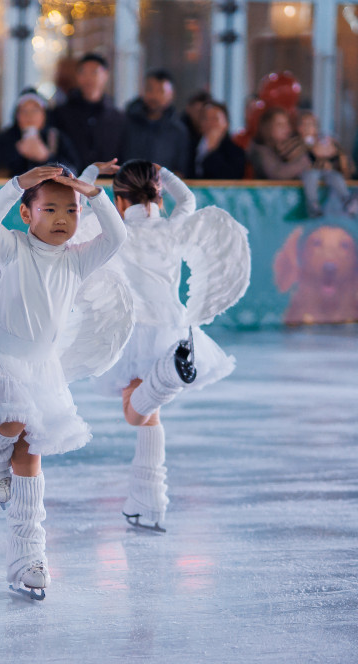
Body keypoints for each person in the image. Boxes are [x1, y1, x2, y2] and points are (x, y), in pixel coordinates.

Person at [0, 160, 128, 599]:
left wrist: (95, 195)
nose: (62, 219)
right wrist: (18, 183)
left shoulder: (78, 260)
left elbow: (118, 237)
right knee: (12, 424)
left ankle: (30, 558)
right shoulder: (12, 247)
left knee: (31, 455)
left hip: (42, 369)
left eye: (71, 211)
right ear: (26, 213)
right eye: (50, 209)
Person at [92, 160, 248, 532]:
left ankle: (166, 379)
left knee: (136, 409)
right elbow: (189, 199)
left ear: (119, 200)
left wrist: (88, 173)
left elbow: (87, 202)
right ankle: (150, 504)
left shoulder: (115, 230)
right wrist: (164, 173)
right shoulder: (173, 225)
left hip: (135, 330)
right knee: (151, 417)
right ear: (158, 193)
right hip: (174, 329)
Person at [49, 53, 126, 168]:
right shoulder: (61, 113)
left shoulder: (117, 117)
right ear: (77, 76)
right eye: (83, 72)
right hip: (71, 180)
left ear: (105, 75)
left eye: (94, 72)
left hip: (107, 183)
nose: (88, 78)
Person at [0, 90, 77, 177]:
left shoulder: (56, 137)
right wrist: (17, 152)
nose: (29, 116)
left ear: (44, 114)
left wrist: (46, 157)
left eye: (35, 110)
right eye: (24, 111)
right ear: (17, 115)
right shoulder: (7, 138)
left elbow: (73, 171)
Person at [119, 69, 192, 175]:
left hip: (163, 188)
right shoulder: (125, 123)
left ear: (171, 95)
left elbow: (181, 170)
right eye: (150, 90)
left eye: (160, 91)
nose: (154, 96)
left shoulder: (179, 131)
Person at [294, 111, 358, 217]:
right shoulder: (296, 142)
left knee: (335, 176)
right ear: (299, 128)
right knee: (311, 175)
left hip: (324, 172)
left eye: (312, 124)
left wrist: (332, 152)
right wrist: (314, 152)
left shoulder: (323, 140)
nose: (308, 128)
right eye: (305, 125)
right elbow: (298, 158)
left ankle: (347, 200)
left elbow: (337, 156)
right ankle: (313, 204)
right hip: (307, 173)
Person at [248, 107, 311, 181]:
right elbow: (278, 174)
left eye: (287, 123)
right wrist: (309, 158)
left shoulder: (293, 145)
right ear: (267, 127)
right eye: (279, 125)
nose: (286, 128)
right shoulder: (259, 151)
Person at [194, 102, 246, 179]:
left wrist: (211, 151)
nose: (209, 123)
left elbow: (230, 178)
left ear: (226, 124)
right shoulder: (190, 145)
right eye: (205, 118)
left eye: (215, 119)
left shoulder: (236, 152)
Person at [181, 90, 212, 155]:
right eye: (198, 111)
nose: (201, 116)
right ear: (188, 109)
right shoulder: (179, 131)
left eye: (204, 112)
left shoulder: (211, 130)